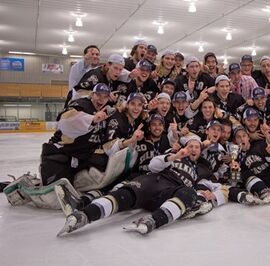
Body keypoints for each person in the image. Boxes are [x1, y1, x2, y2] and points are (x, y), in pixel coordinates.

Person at [56, 135, 217, 236]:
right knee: (124, 195)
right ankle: (83, 216)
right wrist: (173, 156)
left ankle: (152, 221)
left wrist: (206, 195)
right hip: (155, 181)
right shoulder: (175, 155)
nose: (193, 149)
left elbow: (209, 186)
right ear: (185, 147)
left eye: (196, 147)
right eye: (190, 146)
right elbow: (153, 165)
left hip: (170, 192)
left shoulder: (200, 170)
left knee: (188, 193)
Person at [40, 83, 112, 186]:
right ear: (92, 95)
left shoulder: (104, 111)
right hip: (61, 153)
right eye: (98, 95)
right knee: (57, 190)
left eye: (105, 97)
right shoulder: (81, 104)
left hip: (79, 155)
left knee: (102, 161)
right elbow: (65, 121)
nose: (101, 99)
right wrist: (92, 119)